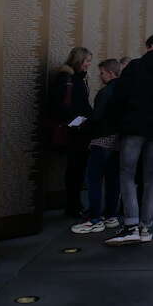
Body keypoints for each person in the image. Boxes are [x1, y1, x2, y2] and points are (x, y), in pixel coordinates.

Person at [105, 33, 153, 246]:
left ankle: (131, 225)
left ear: (150, 46)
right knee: (150, 177)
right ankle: (146, 227)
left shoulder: (135, 66)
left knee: (127, 174)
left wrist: (117, 122)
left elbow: (119, 96)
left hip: (134, 127)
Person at [71, 58, 122, 233]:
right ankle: (110, 216)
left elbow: (97, 117)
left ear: (110, 73)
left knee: (94, 180)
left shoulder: (105, 92)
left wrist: (83, 124)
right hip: (118, 142)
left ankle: (94, 218)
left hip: (101, 141)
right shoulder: (125, 90)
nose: (100, 76)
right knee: (113, 181)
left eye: (102, 73)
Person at [49, 47, 94, 218]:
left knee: (78, 169)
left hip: (80, 129)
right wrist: (81, 119)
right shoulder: (67, 79)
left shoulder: (79, 78)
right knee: (75, 169)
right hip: (74, 130)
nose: (89, 65)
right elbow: (63, 106)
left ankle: (75, 204)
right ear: (78, 60)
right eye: (87, 61)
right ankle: (73, 205)